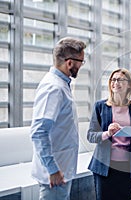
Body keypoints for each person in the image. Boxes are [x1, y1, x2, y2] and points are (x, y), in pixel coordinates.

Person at [30, 37, 86, 200]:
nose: (81, 66)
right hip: (55, 176)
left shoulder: (61, 85)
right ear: (69, 63)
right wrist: (53, 169)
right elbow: (39, 132)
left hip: (61, 171)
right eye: (81, 62)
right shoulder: (53, 88)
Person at [87, 68, 131, 200]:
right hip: (104, 166)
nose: (115, 82)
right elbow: (90, 135)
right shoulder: (100, 106)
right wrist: (107, 133)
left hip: (127, 166)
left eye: (120, 79)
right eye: (113, 80)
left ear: (129, 84)